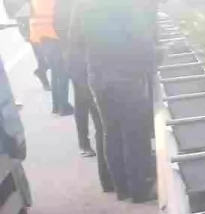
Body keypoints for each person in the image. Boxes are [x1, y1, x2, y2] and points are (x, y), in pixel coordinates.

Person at [70, 0, 156, 202]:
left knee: (111, 131)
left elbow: (75, 41)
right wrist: (151, 63)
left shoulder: (83, 5)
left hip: (98, 76)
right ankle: (140, 189)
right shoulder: (127, 5)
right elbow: (142, 40)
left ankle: (121, 188)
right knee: (135, 132)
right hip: (127, 75)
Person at [56, 0, 97, 157]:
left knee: (84, 102)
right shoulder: (67, 5)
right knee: (86, 102)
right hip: (78, 60)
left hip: (77, 58)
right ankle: (85, 143)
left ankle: (86, 143)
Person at [30, 0, 71, 115]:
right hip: (54, 35)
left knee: (55, 71)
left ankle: (56, 105)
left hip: (41, 36)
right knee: (62, 72)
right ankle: (63, 106)